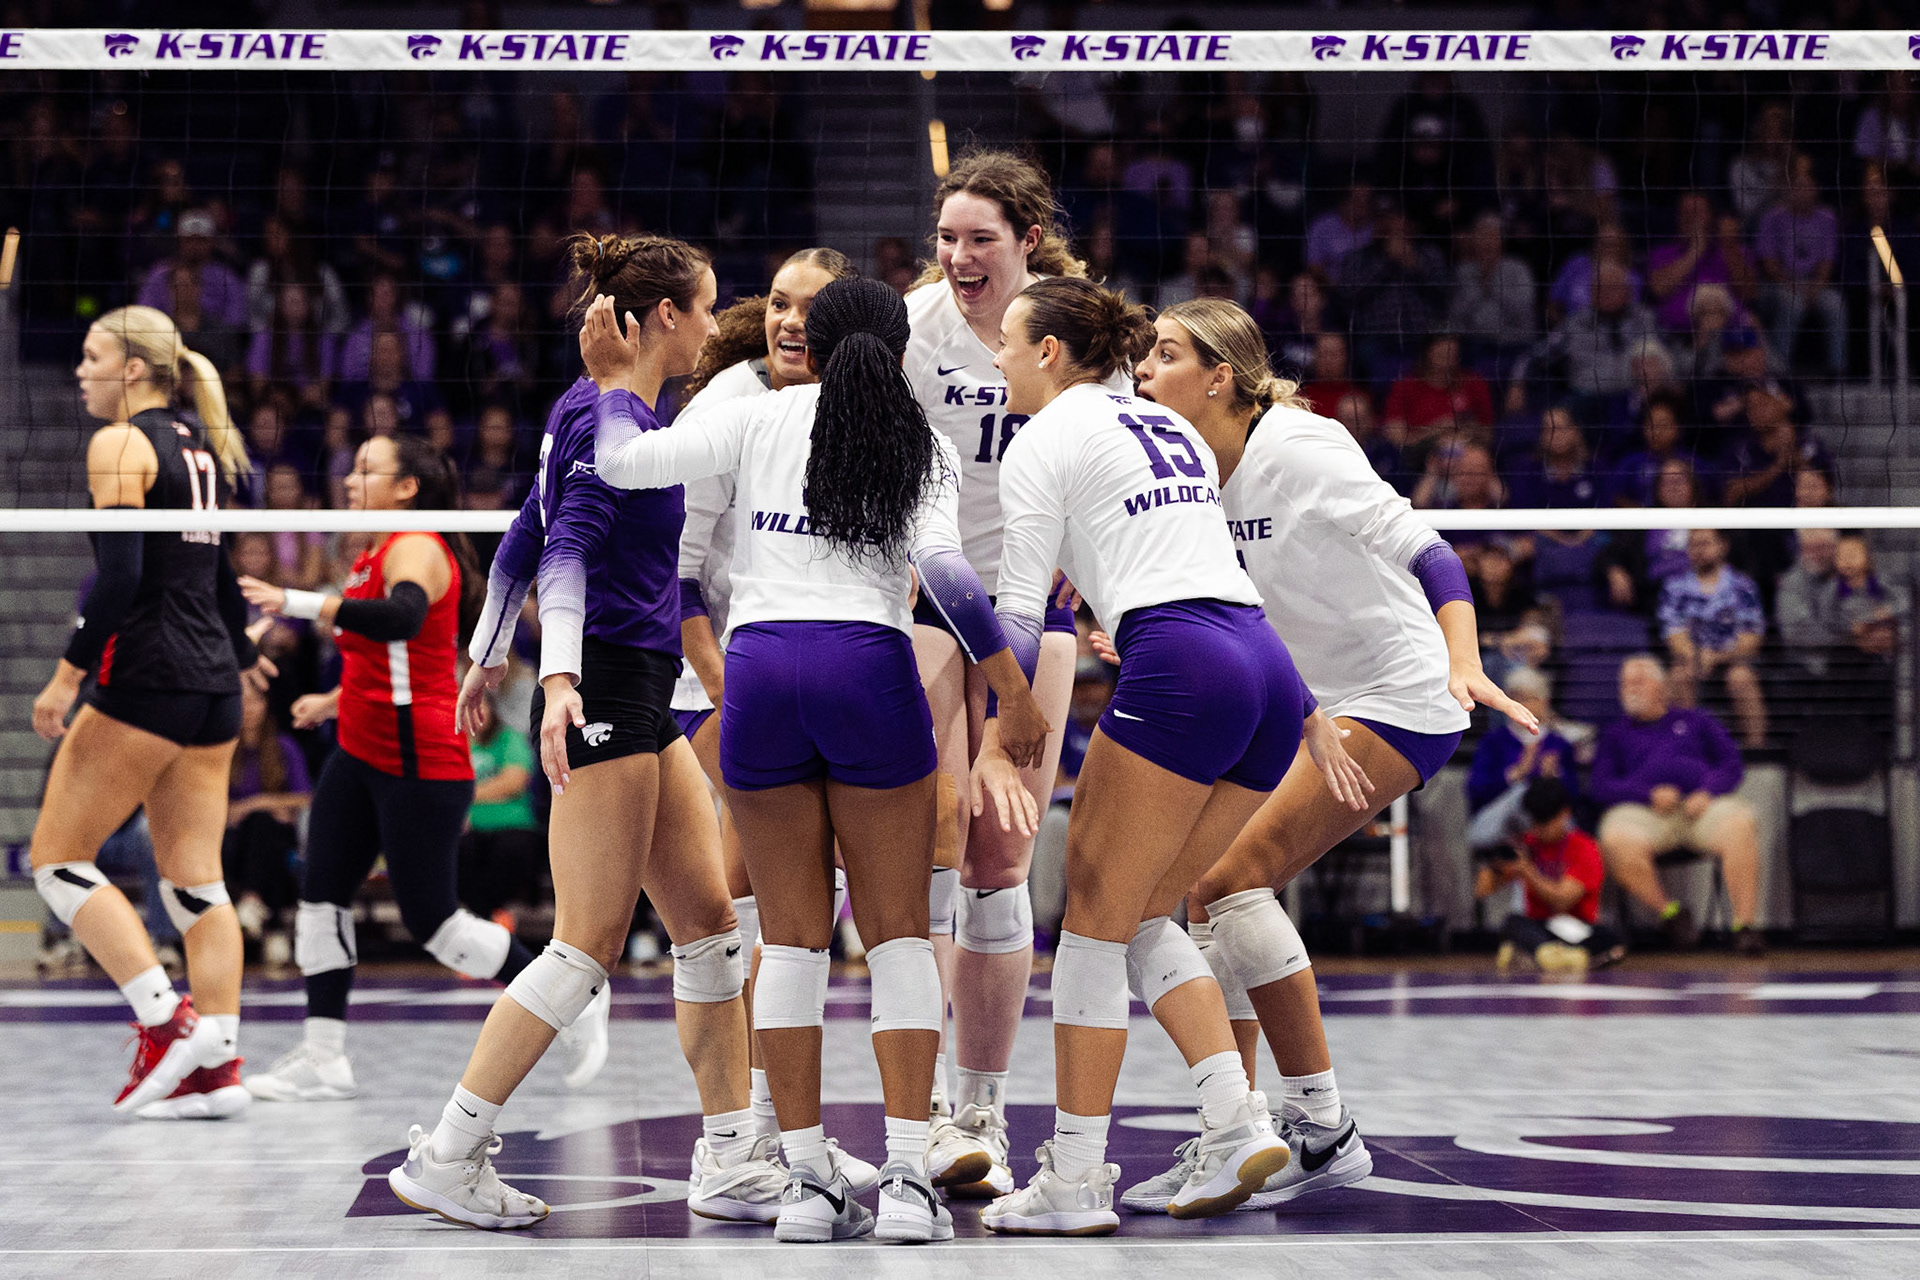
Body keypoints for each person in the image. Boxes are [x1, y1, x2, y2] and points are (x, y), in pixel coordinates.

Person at [593, 276, 1050, 1244]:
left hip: (760, 675)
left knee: (792, 942)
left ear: (815, 340)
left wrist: (609, 379)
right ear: (897, 349)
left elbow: (624, 464)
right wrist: (1009, 688)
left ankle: (803, 1180)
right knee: (895, 936)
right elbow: (950, 577)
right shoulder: (916, 438)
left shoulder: (756, 418)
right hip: (867, 671)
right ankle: (906, 1182)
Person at [389, 236, 777, 1232]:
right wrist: (550, 676)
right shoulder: (607, 418)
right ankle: (450, 1150)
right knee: (585, 944)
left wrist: (484, 651)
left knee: (709, 926)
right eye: (702, 306)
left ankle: (732, 1153)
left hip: (646, 683)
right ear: (659, 319)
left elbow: (522, 525)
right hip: (601, 678)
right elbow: (562, 549)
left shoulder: (614, 413)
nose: (711, 321)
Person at [1114, 297, 1534, 1217]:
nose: (1142, 372)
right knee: (1204, 891)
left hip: (1403, 694)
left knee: (1229, 879)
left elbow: (1430, 552)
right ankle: (1242, 1131)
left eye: (1165, 356)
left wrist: (1464, 658)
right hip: (1306, 702)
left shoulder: (1301, 448)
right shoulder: (1185, 473)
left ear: (1220, 375)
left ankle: (1322, 1128)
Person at [977, 279, 1370, 1236]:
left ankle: (1073, 1181)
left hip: (1187, 662)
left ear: (1053, 355)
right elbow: (1197, 563)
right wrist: (1307, 704)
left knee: (1090, 931)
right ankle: (1236, 1120)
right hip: (1261, 666)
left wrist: (1001, 730)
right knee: (1154, 913)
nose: (996, 360)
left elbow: (1023, 614)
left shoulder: (1043, 444)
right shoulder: (1173, 431)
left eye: (1010, 345)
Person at [237, 436, 539, 1105]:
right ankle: (322, 1058)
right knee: (319, 900)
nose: (350, 479)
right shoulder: (371, 549)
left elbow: (402, 621)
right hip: (361, 749)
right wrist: (336, 698)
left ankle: (563, 997)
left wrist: (294, 600)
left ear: (406, 487)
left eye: (367, 470)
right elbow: (405, 663)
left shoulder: (417, 545)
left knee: (435, 926)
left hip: (417, 758)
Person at [903, 150, 1090, 1198]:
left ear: (1026, 238)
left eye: (981, 237)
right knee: (934, 835)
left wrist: (1110, 586)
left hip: (1038, 606)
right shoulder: (912, 328)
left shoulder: (1070, 326)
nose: (961, 255)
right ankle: (930, 1109)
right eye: (948, 237)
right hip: (930, 598)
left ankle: (983, 1105)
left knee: (1001, 858)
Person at [30, 304, 267, 1119]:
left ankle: (168, 1024)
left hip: (148, 676)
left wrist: (66, 678)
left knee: (57, 861)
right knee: (197, 885)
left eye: (93, 356)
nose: (81, 371)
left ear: (135, 368)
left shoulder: (122, 442)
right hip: (210, 690)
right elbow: (221, 580)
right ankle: (219, 1068)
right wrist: (242, 657)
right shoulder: (205, 446)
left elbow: (123, 579)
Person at [668, 246, 875, 1177]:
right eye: (781, 305)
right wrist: (723, 682)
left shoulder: (862, 406)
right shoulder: (730, 405)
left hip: (794, 667)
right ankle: (749, 1130)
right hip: (715, 671)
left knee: (769, 901)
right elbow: (670, 572)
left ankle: (756, 1126)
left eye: (813, 309)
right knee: (775, 897)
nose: (793, 322)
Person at [1593, 655, 1763, 954]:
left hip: (1699, 809)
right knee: (1614, 838)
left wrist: (1707, 791)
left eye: (1637, 682)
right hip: (1646, 814)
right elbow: (1601, 784)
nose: (1629, 689)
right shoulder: (1615, 733)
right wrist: (1646, 794)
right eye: (1625, 683)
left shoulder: (1697, 721)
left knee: (1740, 822)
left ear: (1660, 686)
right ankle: (1671, 914)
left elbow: (1731, 765)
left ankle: (1744, 927)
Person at [1475, 778, 1624, 973]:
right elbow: (1482, 890)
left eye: (1545, 823)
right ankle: (1550, 955)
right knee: (1513, 923)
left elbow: (1563, 901)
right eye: (1535, 823)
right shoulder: (1526, 844)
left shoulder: (1584, 848)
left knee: (1610, 939)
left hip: (1574, 926)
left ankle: (1539, 955)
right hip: (1538, 927)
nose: (1539, 830)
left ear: (1564, 814)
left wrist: (1528, 872)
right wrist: (1496, 866)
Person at [1657, 529, 1768, 748]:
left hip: (1732, 660)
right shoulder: (1675, 586)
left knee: (1741, 678)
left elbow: (1751, 639)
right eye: (1693, 545)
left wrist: (1714, 658)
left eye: (1705, 544)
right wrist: (1697, 658)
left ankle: (1756, 752)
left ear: (1722, 546)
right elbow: (1673, 634)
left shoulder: (1742, 586)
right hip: (1691, 659)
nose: (1698, 550)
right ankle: (1687, 749)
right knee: (1679, 676)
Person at [223, 682, 310, 947]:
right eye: (243, 702)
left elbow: (305, 796)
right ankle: (272, 929)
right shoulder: (223, 748)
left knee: (263, 828)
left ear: (265, 706)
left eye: (255, 702)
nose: (249, 710)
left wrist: (253, 804)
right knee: (251, 835)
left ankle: (252, 903)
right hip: (232, 834)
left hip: (273, 832)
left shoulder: (283, 746)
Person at [1465, 666, 1578, 848]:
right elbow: (1475, 790)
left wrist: (1553, 779)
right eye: (1515, 698)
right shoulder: (1493, 741)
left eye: (1529, 698)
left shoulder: (1558, 743)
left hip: (1549, 825)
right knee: (1522, 793)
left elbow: (1573, 795)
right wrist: (1515, 774)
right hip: (1496, 824)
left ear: (1544, 701)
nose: (1522, 704)